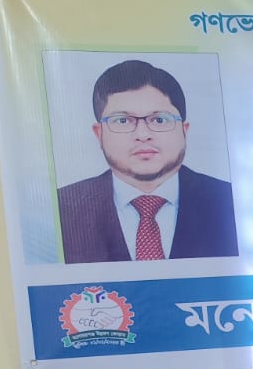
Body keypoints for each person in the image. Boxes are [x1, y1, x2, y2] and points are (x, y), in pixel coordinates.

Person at [57, 58, 239, 264]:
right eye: (122, 121)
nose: (143, 135)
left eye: (159, 120)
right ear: (99, 134)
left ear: (184, 130)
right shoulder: (63, 208)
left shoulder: (229, 200)